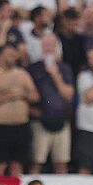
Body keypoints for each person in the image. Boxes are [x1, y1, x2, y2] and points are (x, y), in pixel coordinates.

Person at [0, 43, 39, 176]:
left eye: (14, 55)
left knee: (17, 165)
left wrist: (22, 94)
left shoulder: (22, 75)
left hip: (21, 126)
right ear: (0, 56)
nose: (13, 57)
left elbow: (35, 96)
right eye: (9, 55)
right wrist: (6, 96)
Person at [28, 33, 75, 175]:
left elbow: (69, 95)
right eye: (45, 45)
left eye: (51, 45)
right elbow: (27, 94)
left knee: (61, 163)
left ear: (57, 48)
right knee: (37, 162)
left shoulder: (65, 68)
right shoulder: (33, 68)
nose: (48, 49)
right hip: (40, 122)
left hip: (61, 121)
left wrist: (55, 75)